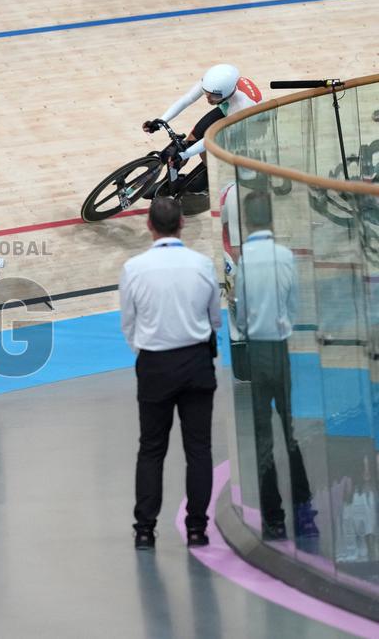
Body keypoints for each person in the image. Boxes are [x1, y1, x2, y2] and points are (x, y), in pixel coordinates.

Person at [119, 197, 221, 549]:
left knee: (151, 449)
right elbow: (215, 320)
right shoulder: (202, 264)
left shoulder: (134, 268)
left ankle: (144, 530)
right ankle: (197, 528)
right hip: (195, 363)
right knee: (198, 449)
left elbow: (128, 324)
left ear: (149, 225)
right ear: (182, 224)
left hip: (154, 365)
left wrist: (147, 350)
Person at [233, 191, 318, 541]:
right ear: (271, 219)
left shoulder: (243, 263)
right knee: (291, 433)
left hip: (256, 352)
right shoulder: (284, 256)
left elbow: (239, 315)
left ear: (247, 221)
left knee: (263, 437)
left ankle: (274, 519)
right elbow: (294, 304)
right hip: (280, 350)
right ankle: (304, 514)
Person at [143, 64, 261, 166]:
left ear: (227, 93)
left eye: (213, 96)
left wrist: (184, 155)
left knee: (206, 151)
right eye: (206, 93)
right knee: (190, 141)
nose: (208, 99)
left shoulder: (241, 105)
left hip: (245, 121)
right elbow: (187, 99)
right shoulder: (213, 84)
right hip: (226, 107)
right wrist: (161, 121)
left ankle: (214, 180)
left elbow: (212, 138)